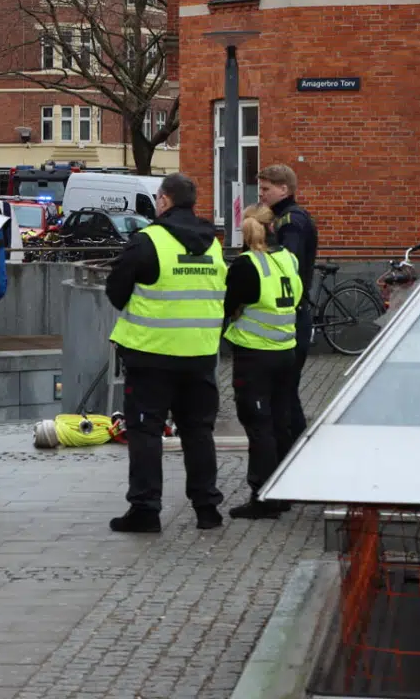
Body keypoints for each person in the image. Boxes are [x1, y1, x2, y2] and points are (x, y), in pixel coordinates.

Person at [105, 173, 226, 533]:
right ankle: (207, 508)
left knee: (145, 433)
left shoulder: (147, 241)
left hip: (151, 355)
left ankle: (145, 509)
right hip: (201, 355)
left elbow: (116, 290)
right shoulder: (213, 244)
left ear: (164, 201)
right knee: (198, 432)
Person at [223, 204, 302, 520]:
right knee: (280, 423)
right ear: (272, 228)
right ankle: (283, 491)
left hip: (254, 356)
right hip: (287, 352)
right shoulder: (288, 258)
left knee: (260, 428)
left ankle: (263, 496)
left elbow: (228, 306)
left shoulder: (245, 265)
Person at [256, 164, 318, 460]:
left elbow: (287, 267)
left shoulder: (290, 222)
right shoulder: (286, 218)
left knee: (285, 394)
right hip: (294, 315)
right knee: (286, 393)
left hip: (292, 316)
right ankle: (297, 456)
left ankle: (295, 457)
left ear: (285, 188)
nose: (262, 194)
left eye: (266, 189)